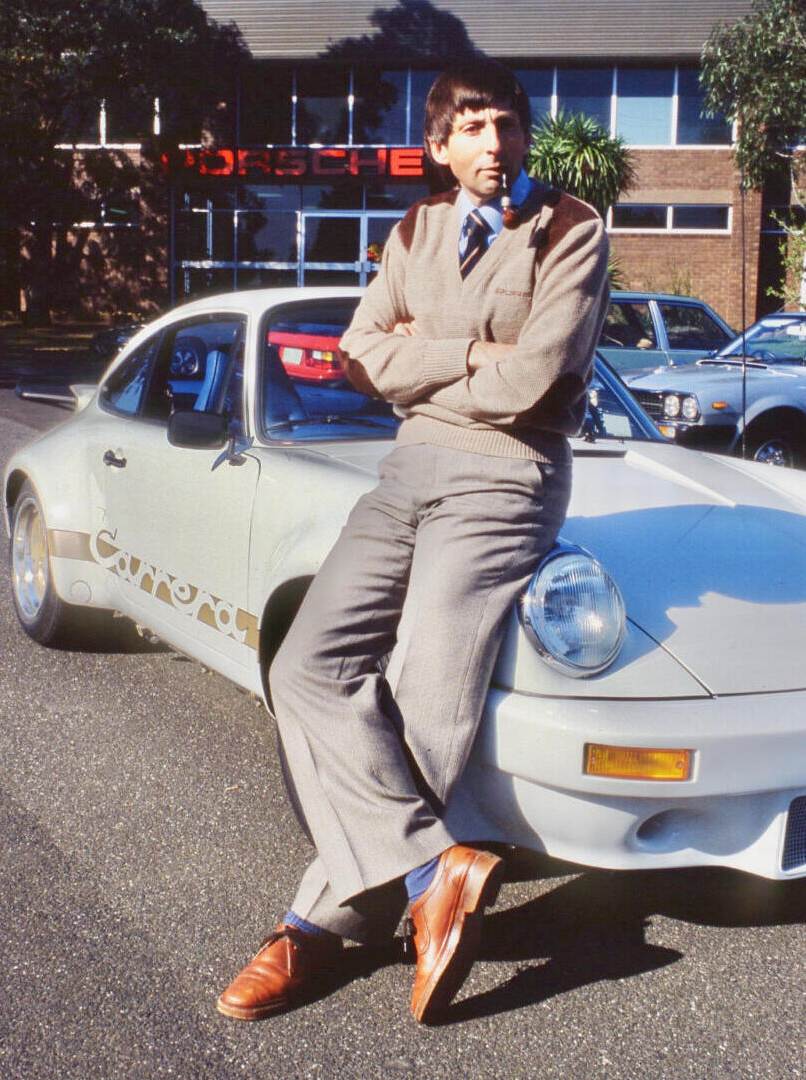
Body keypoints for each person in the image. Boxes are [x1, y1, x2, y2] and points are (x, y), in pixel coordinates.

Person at [216, 57, 609, 1025]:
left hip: (507, 476)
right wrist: (472, 354)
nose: (494, 143)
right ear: (438, 146)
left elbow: (536, 386)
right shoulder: (413, 228)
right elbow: (359, 353)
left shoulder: (572, 227)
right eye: (472, 128)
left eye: (508, 125)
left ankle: (312, 932)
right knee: (307, 666)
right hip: (406, 472)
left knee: (426, 702)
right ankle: (436, 866)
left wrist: (423, 364)